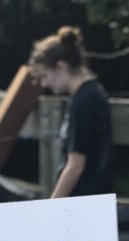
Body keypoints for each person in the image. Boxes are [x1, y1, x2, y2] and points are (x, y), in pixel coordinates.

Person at [29, 26, 113, 198]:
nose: (44, 84)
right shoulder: (90, 93)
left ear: (61, 67)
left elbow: (75, 166)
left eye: (44, 76)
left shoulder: (84, 101)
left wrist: (53, 205)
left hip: (85, 200)